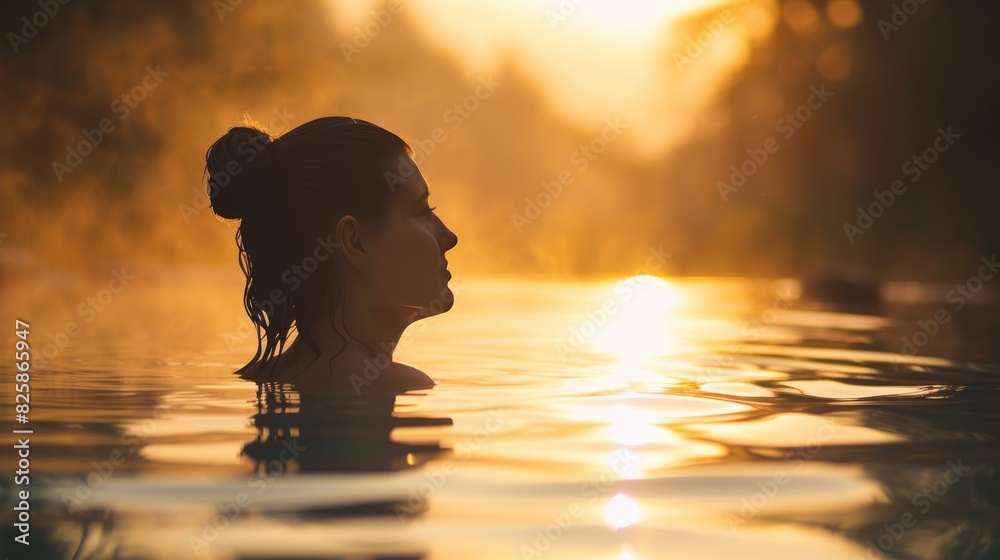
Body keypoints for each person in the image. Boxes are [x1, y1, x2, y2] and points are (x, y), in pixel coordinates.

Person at [204, 116, 458, 393]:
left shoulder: (258, 378)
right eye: (422, 211)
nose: (449, 237)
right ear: (355, 242)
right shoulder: (394, 385)